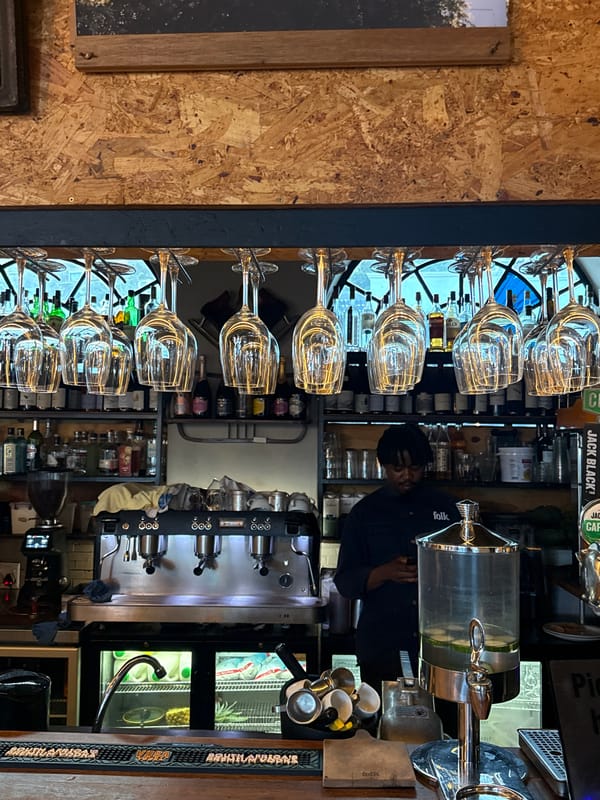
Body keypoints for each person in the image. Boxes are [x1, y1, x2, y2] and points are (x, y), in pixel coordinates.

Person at [333, 423, 461, 697]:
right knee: (387, 729)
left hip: (441, 644)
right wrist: (385, 573)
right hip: (382, 644)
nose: (407, 476)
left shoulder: (446, 508)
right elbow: (345, 582)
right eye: (397, 469)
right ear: (383, 466)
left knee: (445, 727)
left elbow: (465, 571)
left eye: (414, 468)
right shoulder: (364, 513)